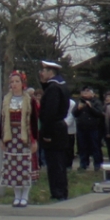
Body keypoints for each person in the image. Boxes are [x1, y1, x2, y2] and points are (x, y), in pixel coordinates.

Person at [0, 70, 39, 208]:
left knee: (25, 166)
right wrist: (1, 138)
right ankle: (16, 196)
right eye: (12, 82)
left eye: (17, 81)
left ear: (23, 83)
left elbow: (34, 121)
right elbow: (2, 120)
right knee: (13, 167)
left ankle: (25, 195)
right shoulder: (6, 100)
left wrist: (34, 139)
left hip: (25, 137)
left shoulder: (29, 100)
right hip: (11, 137)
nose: (14, 84)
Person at [38, 60, 70, 200]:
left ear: (50, 72)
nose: (41, 73)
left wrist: (46, 133)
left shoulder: (53, 89)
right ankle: (61, 190)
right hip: (60, 127)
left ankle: (58, 192)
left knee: (54, 163)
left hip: (53, 129)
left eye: (43, 71)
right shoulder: (60, 85)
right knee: (59, 162)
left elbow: (49, 113)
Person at [73, 86, 104, 171]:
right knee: (82, 147)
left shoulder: (96, 102)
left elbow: (99, 113)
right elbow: (74, 114)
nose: (85, 93)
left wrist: (91, 107)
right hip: (81, 128)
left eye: (88, 91)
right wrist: (78, 109)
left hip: (93, 128)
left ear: (92, 93)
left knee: (95, 146)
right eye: (84, 92)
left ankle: (97, 164)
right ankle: (83, 164)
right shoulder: (79, 102)